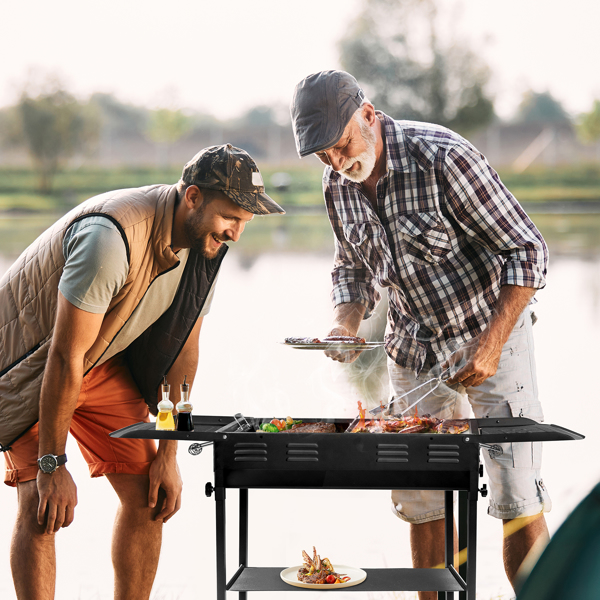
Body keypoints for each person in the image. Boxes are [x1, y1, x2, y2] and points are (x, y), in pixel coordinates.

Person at [290, 70, 550, 599]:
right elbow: (351, 267)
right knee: (423, 498)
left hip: (491, 334)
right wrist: (345, 322)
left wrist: (492, 343)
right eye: (323, 155)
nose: (337, 163)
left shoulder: (443, 156)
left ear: (368, 114)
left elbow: (528, 251)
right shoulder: (335, 184)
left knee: (516, 498)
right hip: (412, 349)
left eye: (342, 145)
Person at [0, 143, 284, 600]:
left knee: (152, 498)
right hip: (30, 367)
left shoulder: (204, 247)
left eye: (244, 223)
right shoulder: (109, 239)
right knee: (40, 503)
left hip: (99, 360)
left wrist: (168, 453)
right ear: (192, 197)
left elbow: (184, 352)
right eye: (230, 217)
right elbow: (64, 357)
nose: (234, 233)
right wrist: (53, 464)